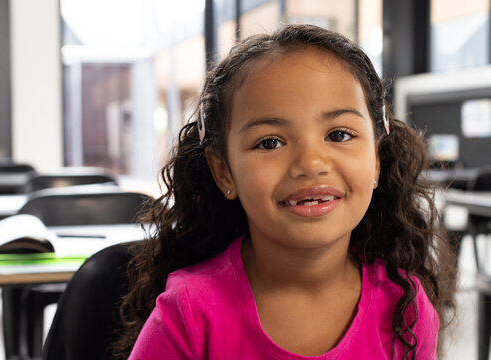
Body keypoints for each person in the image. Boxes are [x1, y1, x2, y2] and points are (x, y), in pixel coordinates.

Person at [113, 24, 457, 360]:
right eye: (270, 142)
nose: (310, 163)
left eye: (338, 134)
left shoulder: (405, 308)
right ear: (224, 171)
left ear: (377, 160)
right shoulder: (188, 314)